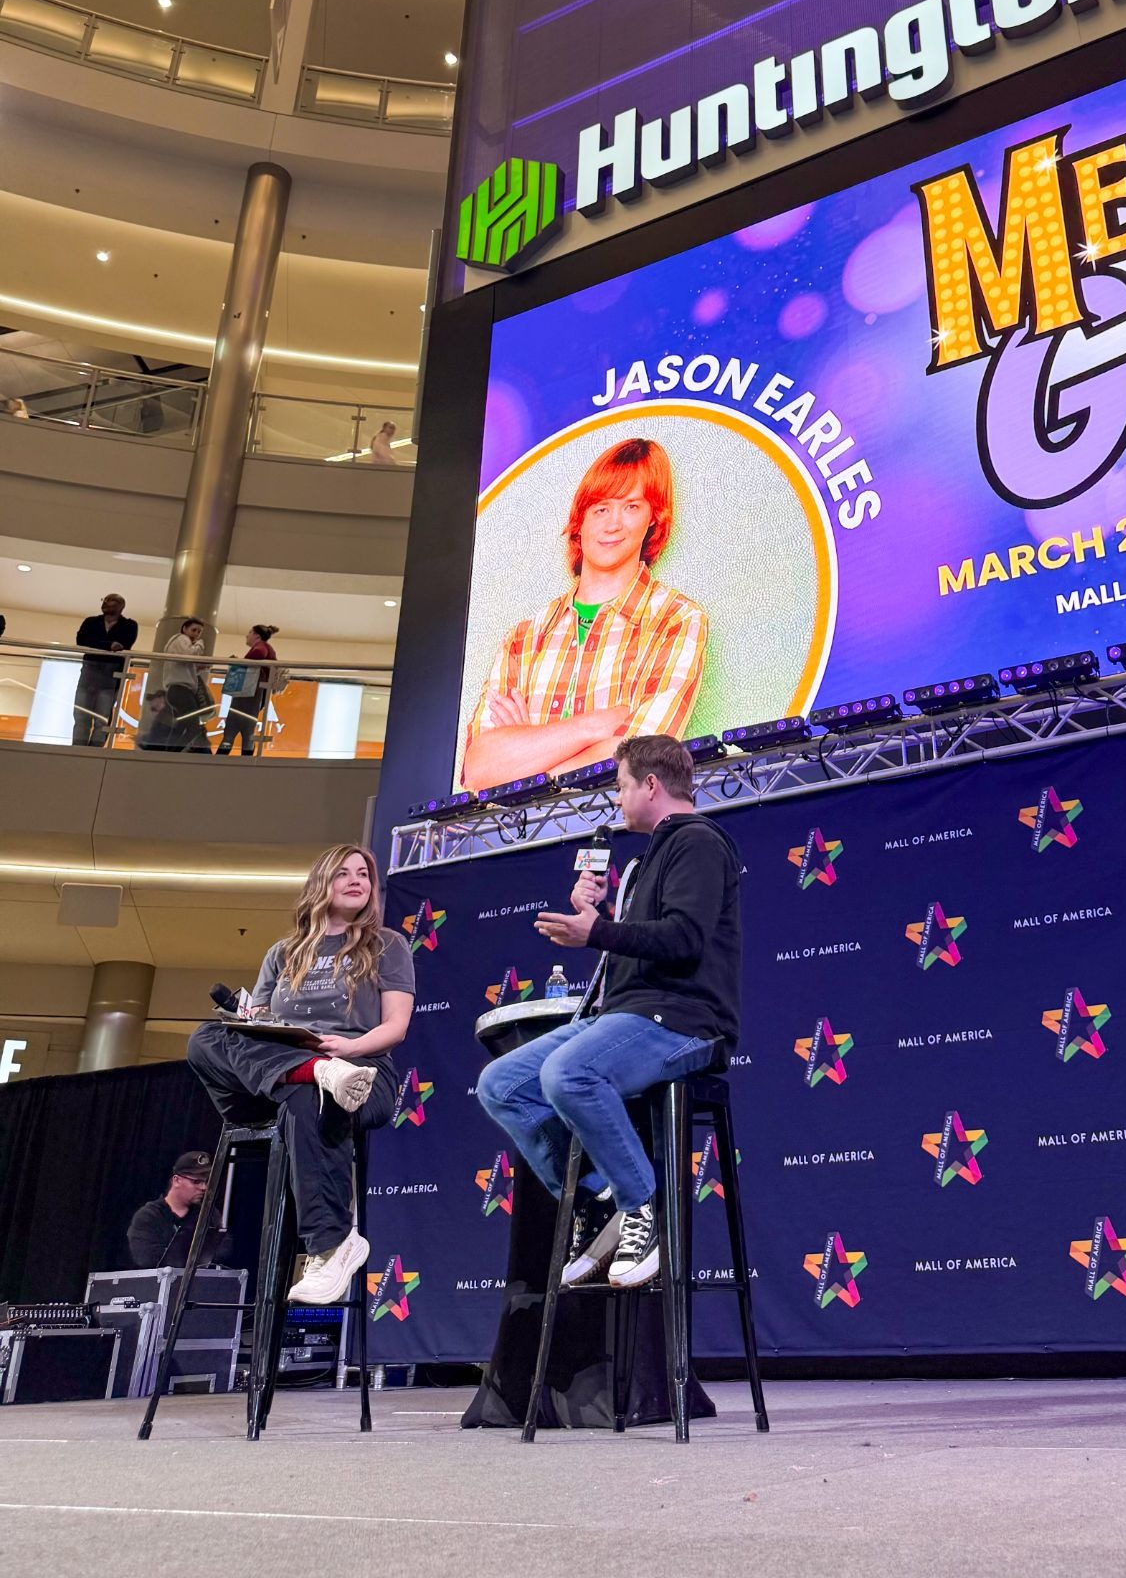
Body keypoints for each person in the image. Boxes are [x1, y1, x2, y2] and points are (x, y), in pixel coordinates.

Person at [476, 733, 741, 1290]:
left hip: (683, 1020)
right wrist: (596, 913)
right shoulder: (648, 859)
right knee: (500, 1083)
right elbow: (640, 945)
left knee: (568, 1072)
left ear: (651, 784)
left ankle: (643, 1207)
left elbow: (685, 939)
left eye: (621, 787)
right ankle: (600, 1203)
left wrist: (596, 931)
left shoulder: (697, 842)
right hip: (628, 1014)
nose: (617, 800)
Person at [185, 845, 414, 1306]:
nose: (356, 880)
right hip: (280, 1073)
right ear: (320, 883)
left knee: (308, 1096)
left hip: (360, 1073)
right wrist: (254, 1022)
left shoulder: (386, 945)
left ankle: (329, 1248)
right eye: (343, 873)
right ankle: (314, 1071)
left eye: (364, 874)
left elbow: (396, 1027)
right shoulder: (283, 953)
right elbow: (256, 1027)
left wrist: (347, 1048)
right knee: (205, 1037)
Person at [461, 437, 708, 790]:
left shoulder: (676, 620)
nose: (613, 524)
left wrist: (529, 751)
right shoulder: (523, 639)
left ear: (653, 517)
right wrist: (593, 726)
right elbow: (480, 769)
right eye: (601, 508)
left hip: (618, 825)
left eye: (631, 507)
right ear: (580, 520)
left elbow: (640, 759)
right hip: (520, 830)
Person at [126, 1150, 232, 1269]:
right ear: (176, 1180)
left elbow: (224, 1247)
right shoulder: (149, 1216)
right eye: (196, 1181)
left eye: (206, 1181)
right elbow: (146, 1257)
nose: (204, 1187)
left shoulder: (208, 1214)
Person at [73, 593, 139, 746]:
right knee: (81, 714)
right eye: (105, 600)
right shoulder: (91, 621)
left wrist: (99, 644)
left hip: (112, 674)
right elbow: (81, 640)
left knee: (102, 717)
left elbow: (124, 644)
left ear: (121, 606)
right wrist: (108, 645)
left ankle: (95, 751)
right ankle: (77, 748)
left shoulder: (129, 625)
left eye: (112, 601)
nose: (107, 603)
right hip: (90, 671)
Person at [217, 623, 279, 756]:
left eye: (250, 632)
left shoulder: (260, 647)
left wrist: (240, 663)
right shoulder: (268, 649)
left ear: (256, 635)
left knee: (232, 729)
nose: (247, 635)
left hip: (248, 694)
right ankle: (245, 758)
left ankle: (220, 758)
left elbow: (259, 654)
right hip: (255, 695)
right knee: (246, 730)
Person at [162, 615, 213, 752]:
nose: (196, 634)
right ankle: (173, 753)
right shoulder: (182, 639)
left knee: (180, 725)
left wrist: (200, 667)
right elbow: (190, 655)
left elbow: (185, 663)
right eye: (194, 630)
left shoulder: (177, 643)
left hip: (175, 690)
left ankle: (168, 753)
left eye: (199, 632)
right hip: (181, 690)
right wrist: (200, 644)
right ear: (184, 629)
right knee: (193, 726)